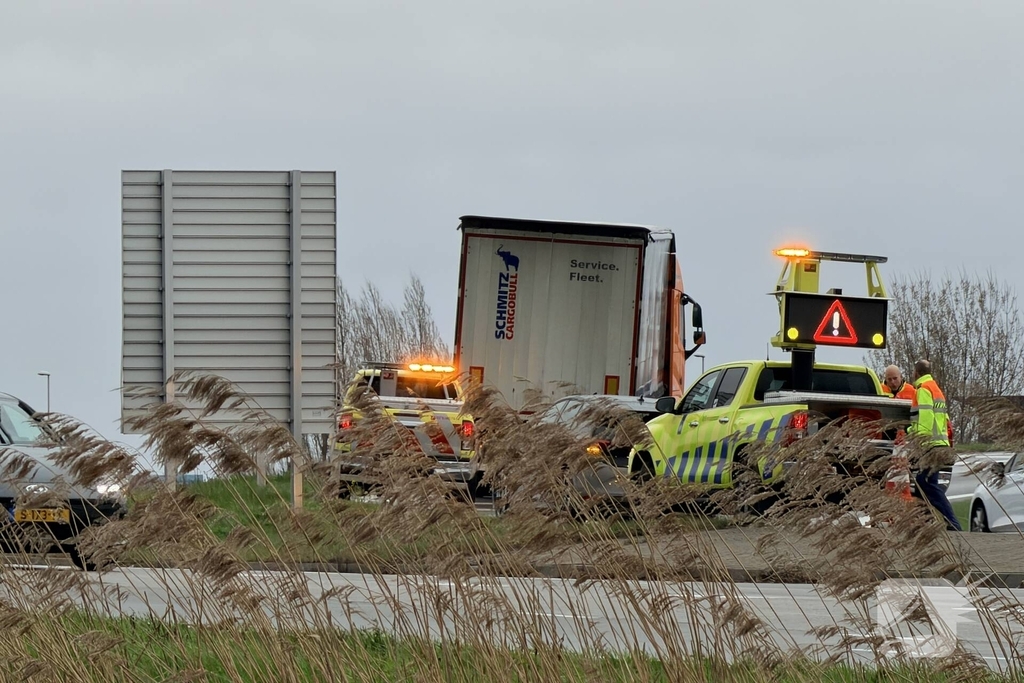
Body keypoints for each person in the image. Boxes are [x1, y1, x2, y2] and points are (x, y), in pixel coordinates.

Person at [908, 359, 961, 531]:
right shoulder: (937, 390)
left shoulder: (923, 390)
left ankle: (952, 523)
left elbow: (925, 419)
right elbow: (944, 420)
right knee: (928, 482)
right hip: (940, 443)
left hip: (929, 445)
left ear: (916, 373)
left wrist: (913, 435)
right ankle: (932, 523)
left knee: (924, 482)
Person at [884, 363, 954, 444]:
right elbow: (944, 418)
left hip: (928, 442)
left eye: (895, 378)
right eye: (889, 379)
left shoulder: (919, 390)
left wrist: (919, 438)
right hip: (940, 441)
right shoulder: (934, 388)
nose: (892, 382)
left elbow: (925, 418)